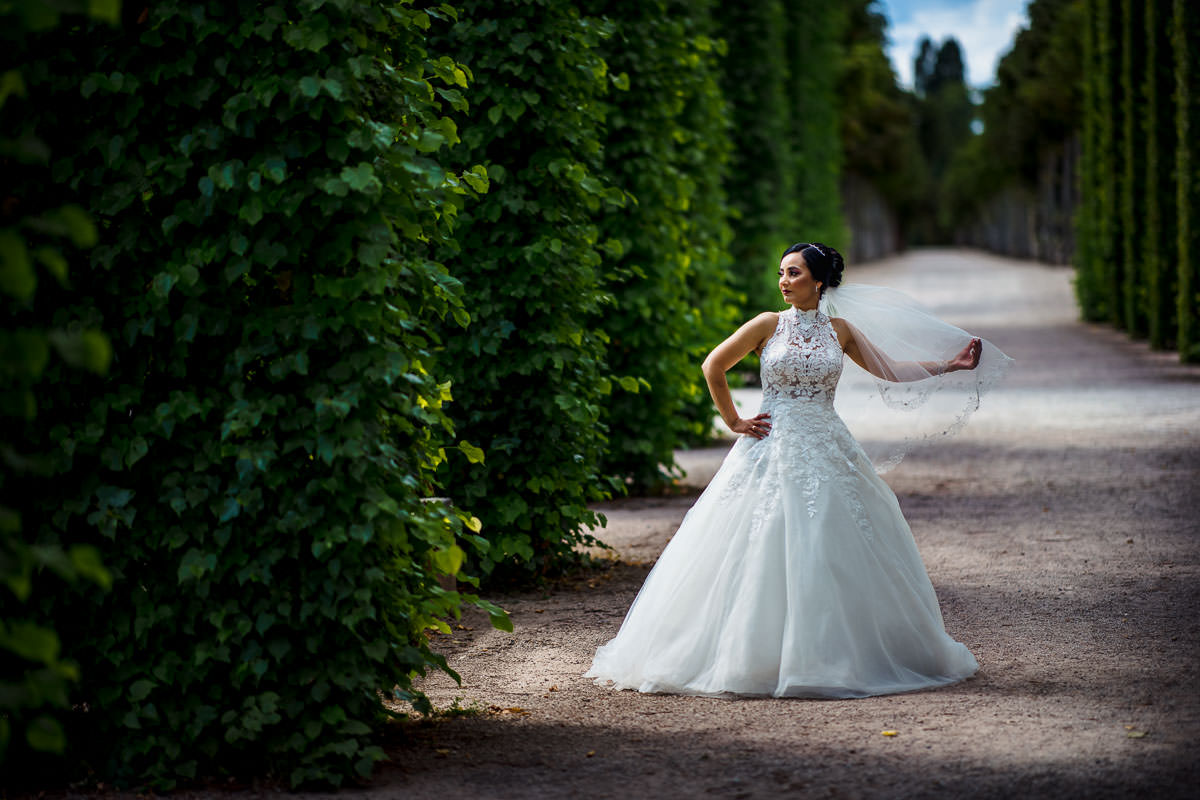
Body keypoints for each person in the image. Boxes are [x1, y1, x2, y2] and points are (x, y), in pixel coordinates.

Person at [585, 242, 1010, 698]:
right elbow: (714, 365)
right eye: (782, 273)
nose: (784, 281)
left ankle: (834, 653)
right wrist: (733, 420)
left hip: (827, 443)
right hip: (769, 442)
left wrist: (950, 364)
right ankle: (747, 654)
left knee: (833, 536)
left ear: (819, 281)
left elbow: (890, 369)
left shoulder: (842, 331)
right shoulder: (768, 324)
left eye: (794, 274)